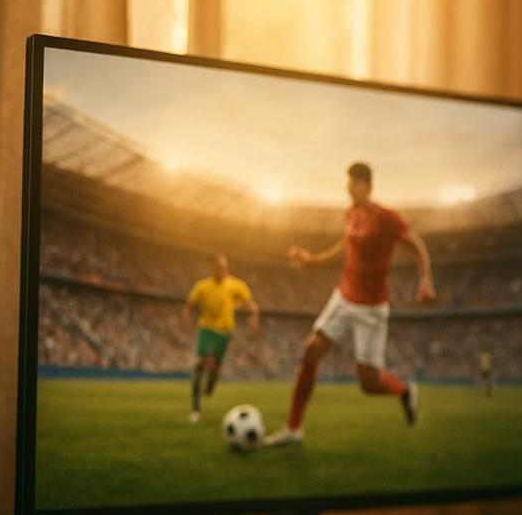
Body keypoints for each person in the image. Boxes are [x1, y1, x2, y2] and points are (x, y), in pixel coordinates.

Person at [264, 161, 435, 446]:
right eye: (347, 182)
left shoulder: (386, 218)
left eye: (353, 183)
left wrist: (426, 279)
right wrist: (312, 260)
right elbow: (345, 246)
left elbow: (415, 244)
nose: (348, 188)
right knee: (311, 351)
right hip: (343, 297)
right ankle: (293, 429)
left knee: (369, 383)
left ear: (366, 185)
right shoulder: (351, 214)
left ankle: (405, 391)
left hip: (371, 308)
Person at [180, 253, 259, 423]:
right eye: (218, 268)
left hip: (225, 333)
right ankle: (195, 409)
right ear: (213, 269)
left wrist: (254, 316)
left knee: (215, 367)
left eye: (224, 268)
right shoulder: (202, 286)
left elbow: (250, 304)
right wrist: (185, 315)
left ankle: (209, 386)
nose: (222, 271)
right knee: (203, 362)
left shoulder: (237, 285)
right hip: (207, 329)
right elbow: (189, 305)